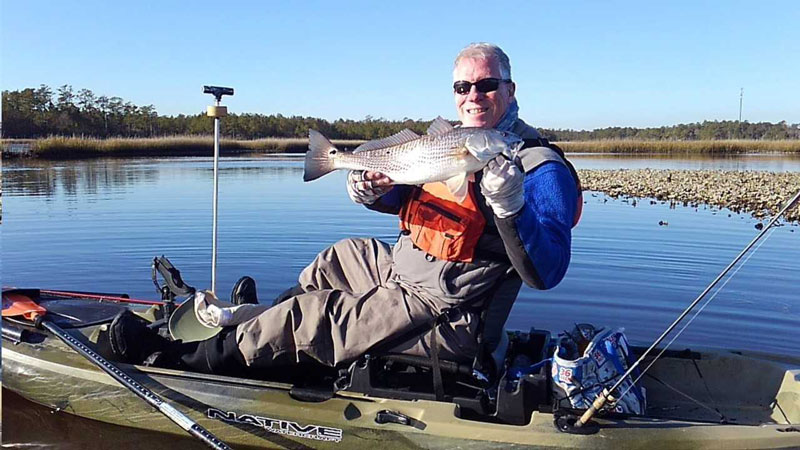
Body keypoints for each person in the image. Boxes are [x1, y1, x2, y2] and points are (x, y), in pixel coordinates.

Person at [107, 43, 580, 378]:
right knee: (340, 257)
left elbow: (547, 272)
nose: (472, 96)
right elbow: (424, 203)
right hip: (405, 267)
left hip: (447, 310)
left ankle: (180, 358)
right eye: (462, 86)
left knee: (317, 317)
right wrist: (377, 194)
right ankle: (259, 319)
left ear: (510, 88)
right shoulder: (450, 142)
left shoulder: (539, 167)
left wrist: (511, 206)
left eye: (486, 84)